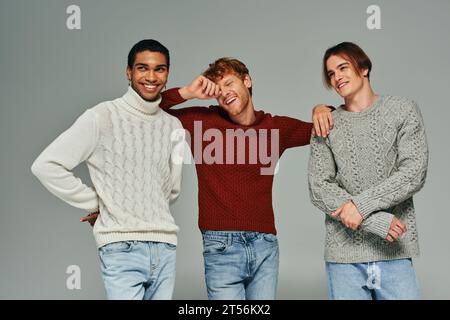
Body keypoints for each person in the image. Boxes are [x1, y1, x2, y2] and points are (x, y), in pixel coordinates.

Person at [122, 57, 333, 300]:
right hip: (220, 244)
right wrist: (189, 92)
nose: (225, 94)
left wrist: (322, 108)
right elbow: (150, 107)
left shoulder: (275, 128)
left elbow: (327, 127)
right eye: (218, 91)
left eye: (229, 84)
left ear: (247, 81)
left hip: (265, 245)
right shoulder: (201, 122)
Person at [31, 39, 186, 300]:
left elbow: (172, 190)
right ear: (128, 72)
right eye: (142, 68)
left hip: (165, 246)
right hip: (121, 247)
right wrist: (99, 201)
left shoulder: (175, 128)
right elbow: (46, 165)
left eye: (159, 69)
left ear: (168, 73)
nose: (151, 76)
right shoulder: (101, 116)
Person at [308, 42, 429, 299]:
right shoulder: (326, 123)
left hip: (394, 251)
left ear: (363, 68)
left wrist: (361, 207)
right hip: (344, 258)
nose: (337, 77)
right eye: (331, 74)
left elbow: (414, 171)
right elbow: (320, 188)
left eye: (343, 67)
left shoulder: (402, 110)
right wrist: (374, 221)